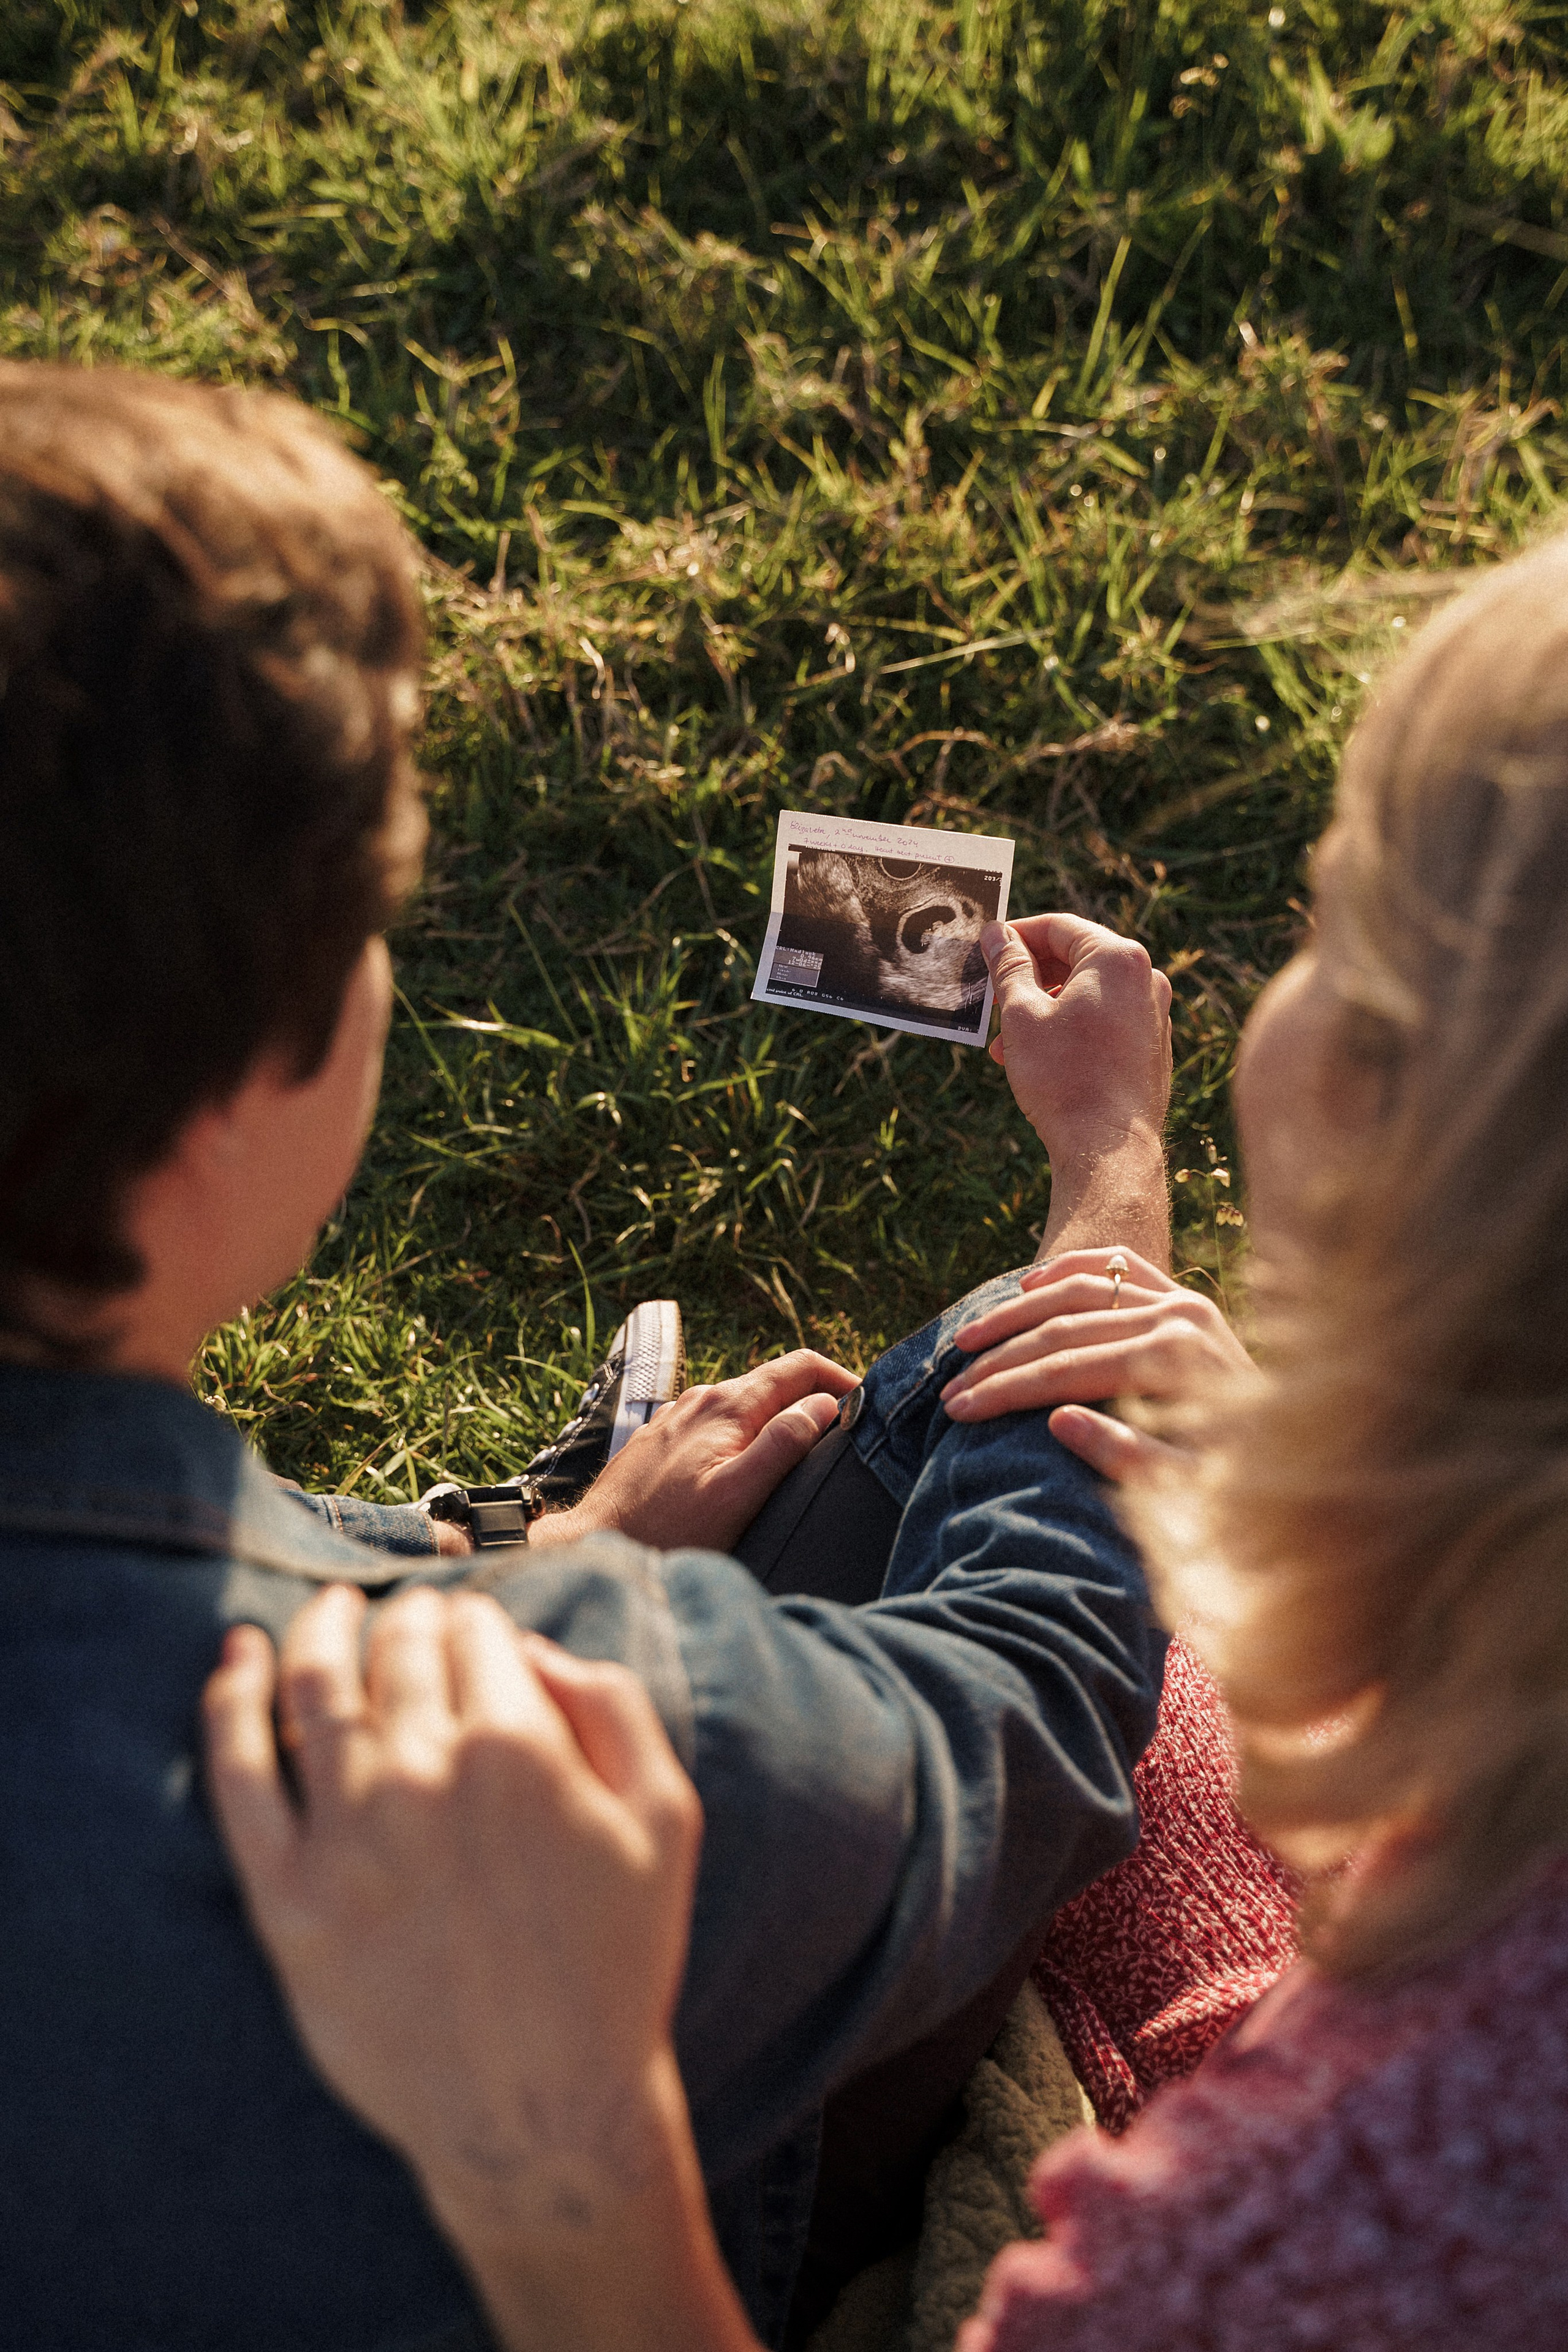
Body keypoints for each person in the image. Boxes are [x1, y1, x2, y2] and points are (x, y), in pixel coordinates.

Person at [211, 532, 1568, 2349]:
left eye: (1339, 926)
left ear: (1415, 1113)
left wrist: (565, 2148)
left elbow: (1031, 1682)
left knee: (971, 1434)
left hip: (1056, 2030)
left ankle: (507, 1552)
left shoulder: (1284, 2240)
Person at [0, 358, 1184, 2351]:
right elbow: (1037, 1720)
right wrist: (1110, 1186)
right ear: (243, 1084)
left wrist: (556, 1549)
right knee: (904, 1463)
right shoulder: (530, 1731)